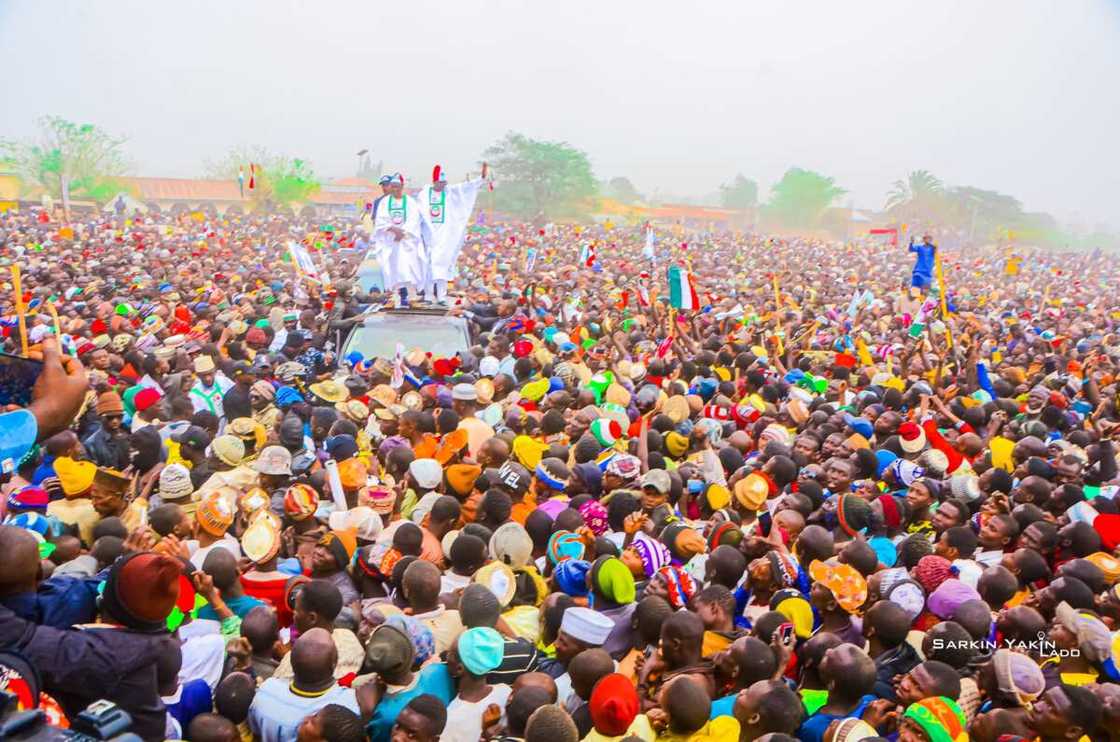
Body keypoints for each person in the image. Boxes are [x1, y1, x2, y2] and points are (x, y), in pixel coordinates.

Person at [248, 628, 360, 742]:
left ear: (290, 661)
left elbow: (255, 735)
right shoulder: (349, 705)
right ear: (334, 664)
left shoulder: (265, 692)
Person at [416, 163, 488, 304]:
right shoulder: (424, 194)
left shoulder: (449, 192)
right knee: (428, 267)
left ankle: (441, 296)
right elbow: (419, 212)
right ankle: (429, 296)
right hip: (428, 236)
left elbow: (466, 187)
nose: (443, 185)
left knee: (442, 264)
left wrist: (481, 178)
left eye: (444, 182)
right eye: (441, 182)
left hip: (445, 236)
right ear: (434, 182)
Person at [372, 173, 432, 307]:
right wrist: (393, 230)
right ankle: (393, 298)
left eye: (397, 187)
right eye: (392, 187)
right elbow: (381, 220)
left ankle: (412, 298)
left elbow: (414, 220)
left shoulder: (410, 202)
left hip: (406, 243)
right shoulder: (384, 202)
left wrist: (403, 232)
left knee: (409, 270)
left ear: (402, 186)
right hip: (390, 242)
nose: (394, 189)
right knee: (391, 270)